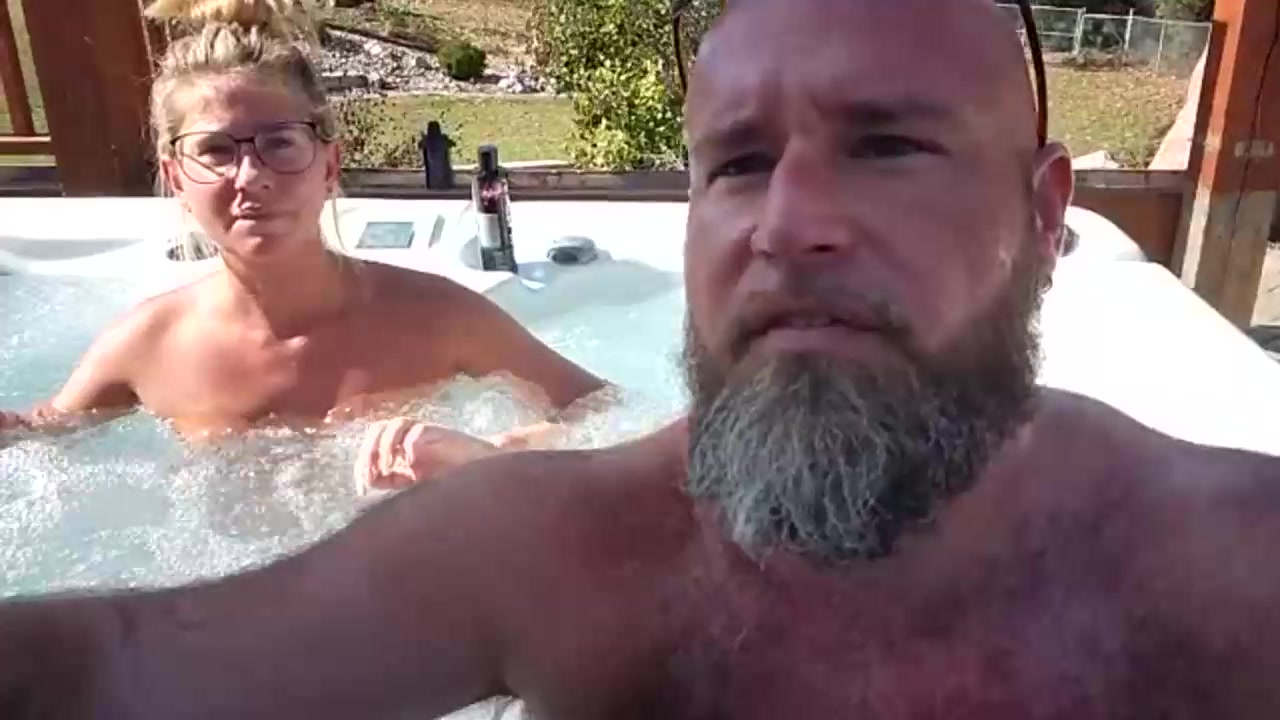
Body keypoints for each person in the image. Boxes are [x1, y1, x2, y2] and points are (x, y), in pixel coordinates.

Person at [4, 0, 1280, 717]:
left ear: (1044, 214)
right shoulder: (555, 549)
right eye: (738, 163)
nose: (786, 223)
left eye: (886, 145)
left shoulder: (1225, 564)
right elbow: (123, 664)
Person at [0, 0, 604, 445]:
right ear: (176, 176)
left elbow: (605, 411)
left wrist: (496, 457)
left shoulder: (438, 317)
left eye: (280, 144)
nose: (249, 176)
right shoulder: (149, 344)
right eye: (215, 151)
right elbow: (39, 434)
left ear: (330, 164)